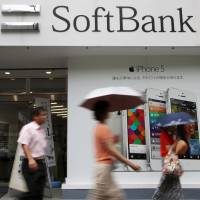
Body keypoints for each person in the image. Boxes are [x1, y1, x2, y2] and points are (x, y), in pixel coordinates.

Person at [88, 100, 141, 200]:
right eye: (108, 110)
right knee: (114, 197)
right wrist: (130, 164)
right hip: (104, 169)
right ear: (103, 112)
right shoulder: (104, 128)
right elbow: (111, 150)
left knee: (115, 196)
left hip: (104, 169)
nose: (109, 112)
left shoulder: (98, 128)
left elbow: (106, 145)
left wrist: (113, 139)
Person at [152, 123, 195, 200]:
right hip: (171, 170)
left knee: (166, 190)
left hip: (171, 171)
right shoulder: (182, 142)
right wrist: (172, 167)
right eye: (189, 125)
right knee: (169, 191)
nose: (192, 126)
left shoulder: (179, 140)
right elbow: (173, 154)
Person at [17, 107, 48, 200]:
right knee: (33, 193)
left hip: (41, 164)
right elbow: (24, 144)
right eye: (43, 115)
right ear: (35, 116)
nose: (45, 117)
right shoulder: (28, 128)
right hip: (30, 164)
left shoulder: (41, 130)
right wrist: (30, 159)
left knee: (39, 194)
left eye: (45, 115)